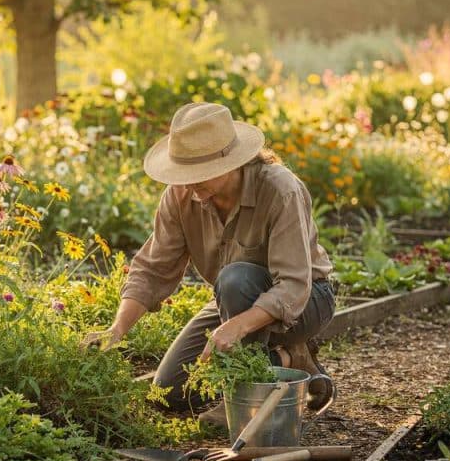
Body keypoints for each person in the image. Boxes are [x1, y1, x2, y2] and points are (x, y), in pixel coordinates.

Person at [81, 101, 335, 425]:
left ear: (232, 162)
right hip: (235, 302)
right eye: (183, 173)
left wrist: (234, 327)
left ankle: (243, 395)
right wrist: (116, 330)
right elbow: (152, 268)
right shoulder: (182, 195)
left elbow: (293, 286)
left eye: (198, 174)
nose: (188, 184)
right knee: (172, 391)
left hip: (307, 301)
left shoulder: (279, 190)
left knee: (235, 278)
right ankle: (291, 357)